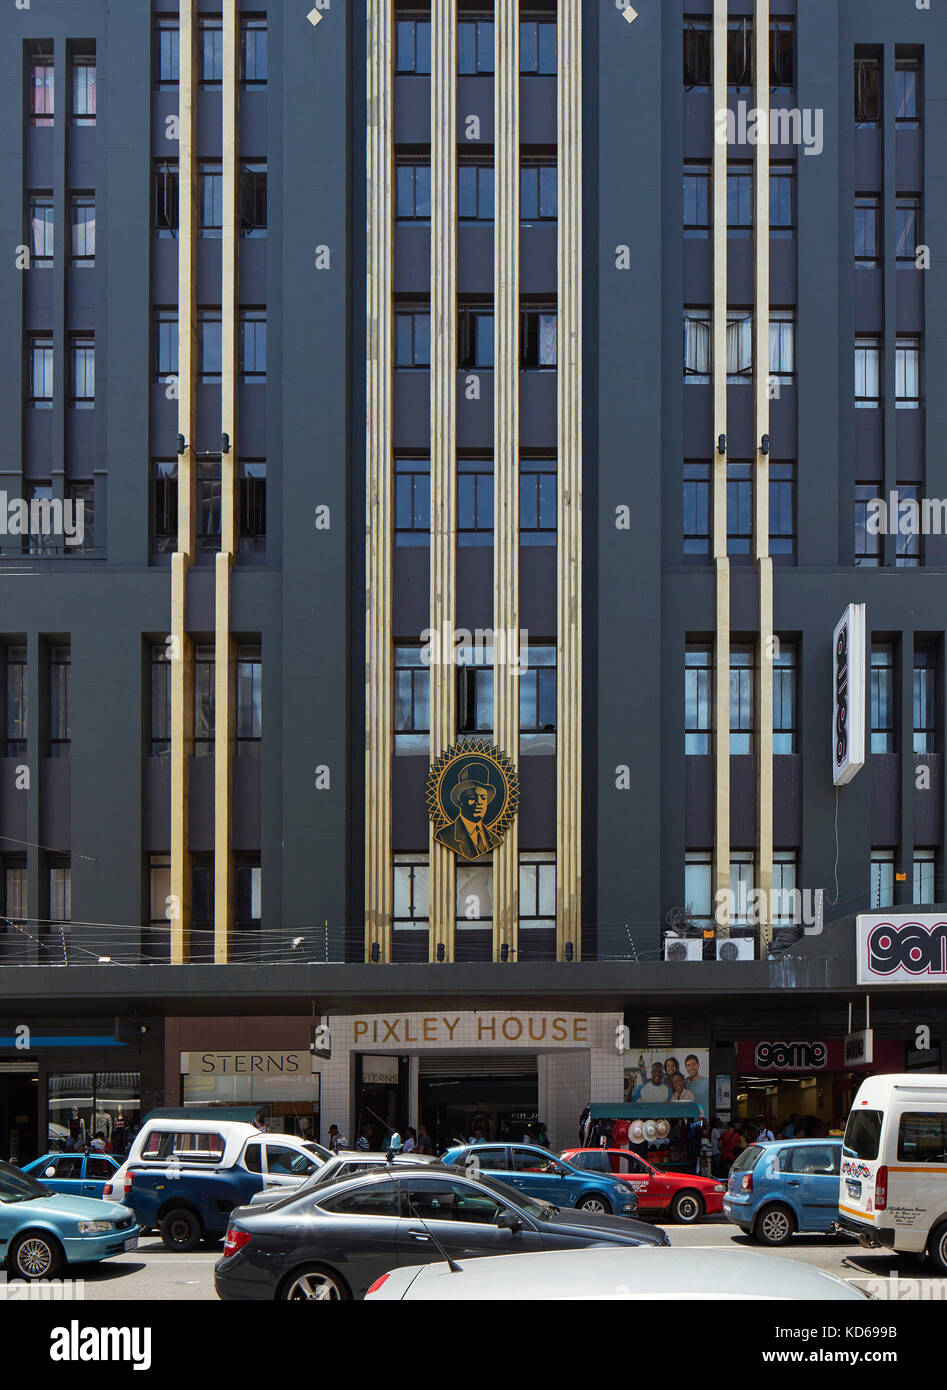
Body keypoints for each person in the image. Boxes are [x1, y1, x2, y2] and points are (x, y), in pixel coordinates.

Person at [433, 763, 504, 861]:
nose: (479, 802)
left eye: (483, 798)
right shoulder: (444, 836)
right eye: (472, 797)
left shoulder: (494, 840)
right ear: (460, 800)